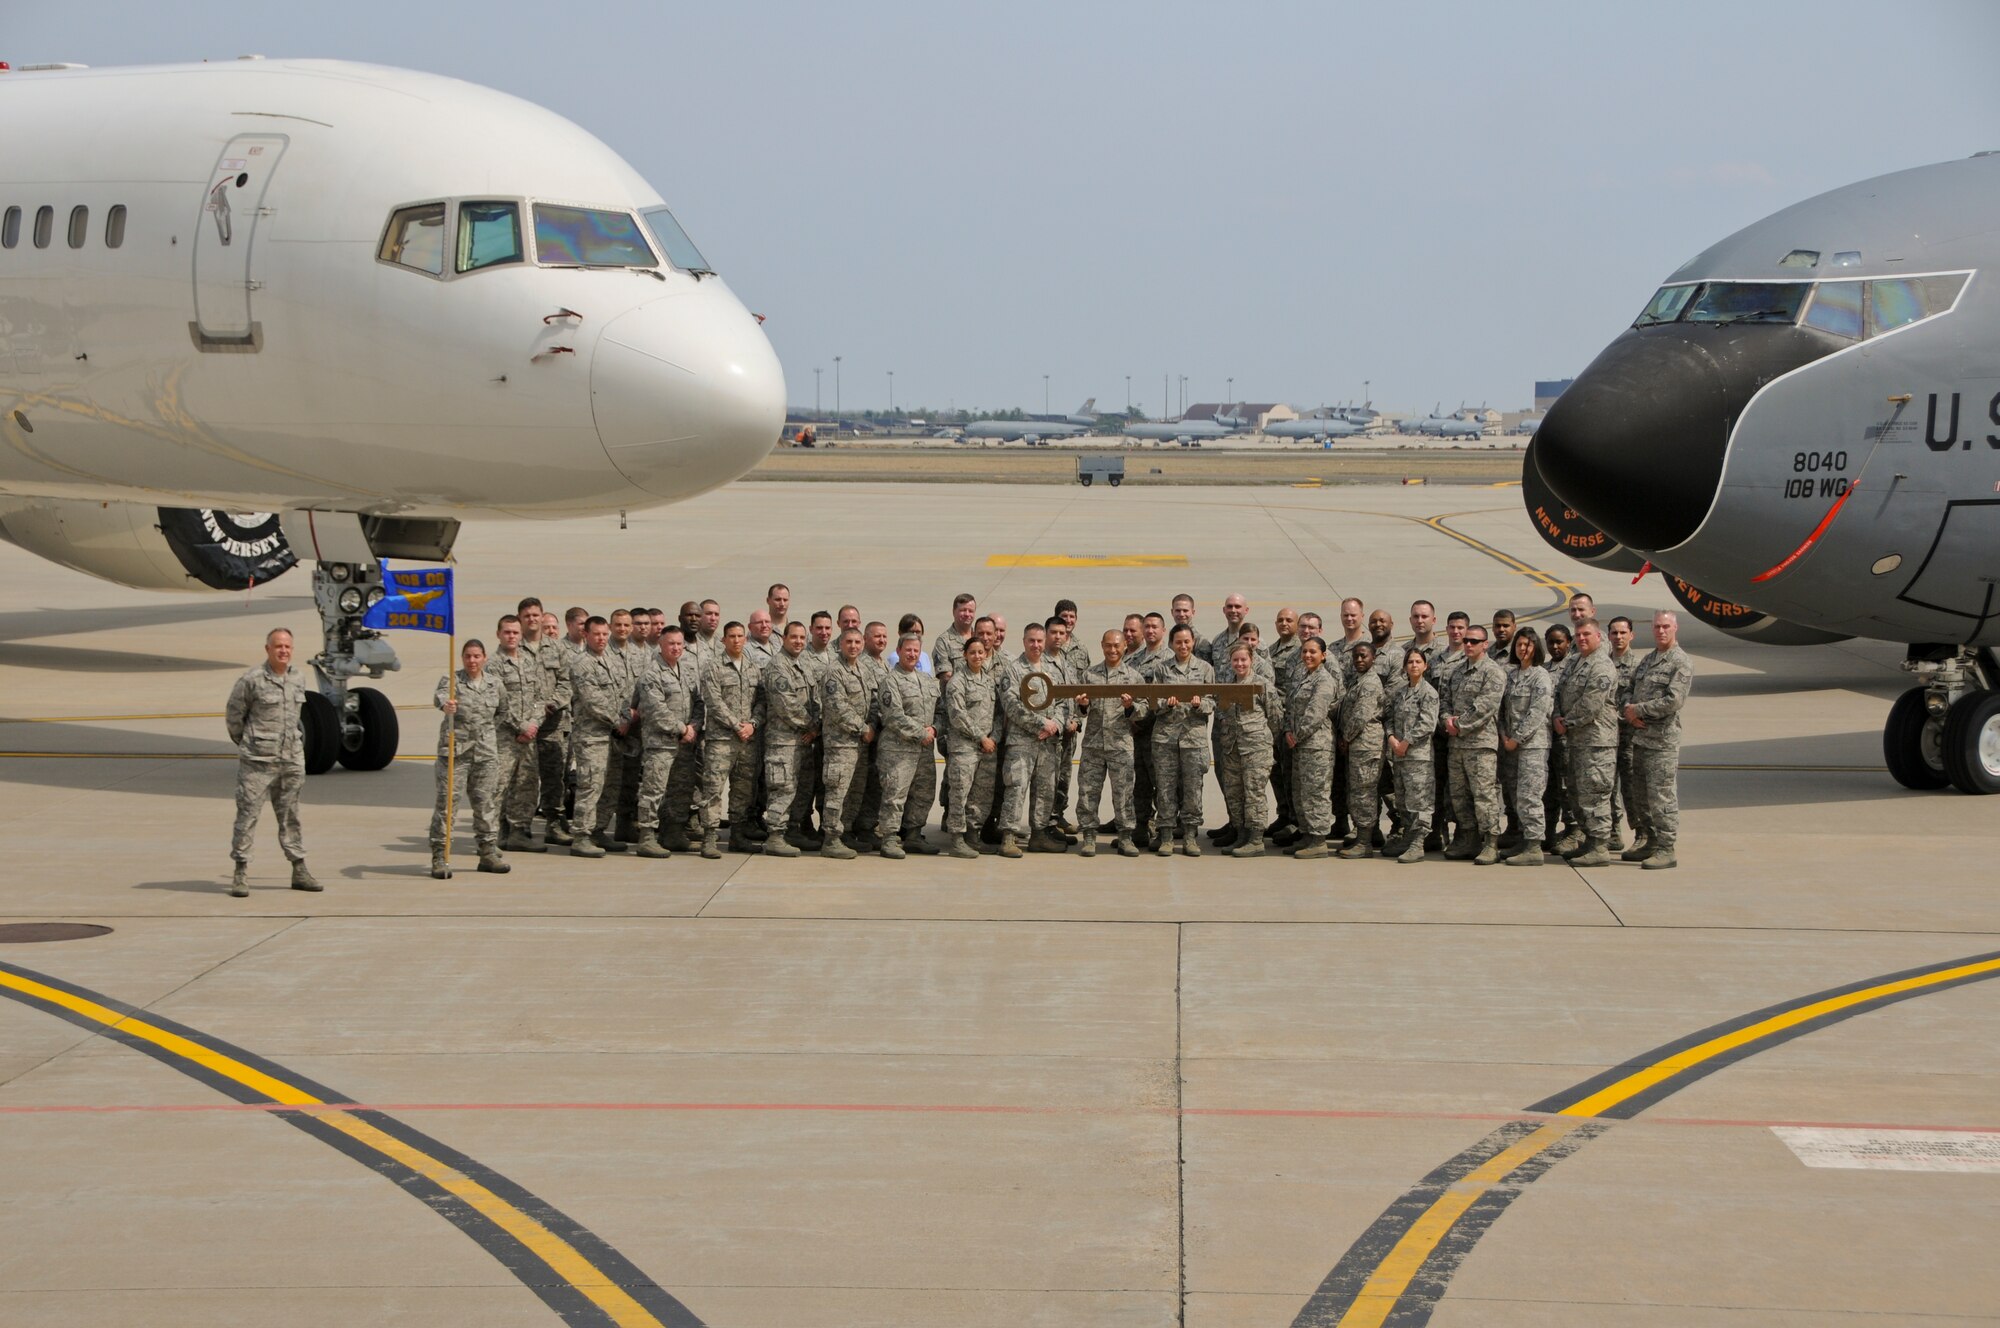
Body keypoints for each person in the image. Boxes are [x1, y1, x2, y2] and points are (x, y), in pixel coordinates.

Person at [224, 628, 317, 896]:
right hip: (258, 762)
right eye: (278, 646)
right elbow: (234, 716)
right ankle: (240, 872)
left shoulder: (298, 678)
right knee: (247, 816)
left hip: (290, 760)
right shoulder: (251, 680)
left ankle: (299, 869)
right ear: (268, 649)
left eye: (287, 647)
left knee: (291, 816)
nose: (283, 651)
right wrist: (249, 744)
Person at [429, 638, 508, 877]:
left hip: (485, 754)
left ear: (484, 658)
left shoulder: (494, 683)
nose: (472, 661)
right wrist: (447, 706)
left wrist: (485, 735)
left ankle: (487, 853)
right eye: (468, 656)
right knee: (447, 806)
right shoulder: (452, 681)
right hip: (455, 754)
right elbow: (440, 698)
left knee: (485, 805)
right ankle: (440, 856)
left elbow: (502, 712)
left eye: (476, 656)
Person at [1622, 611, 1694, 869]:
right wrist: (1628, 711)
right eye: (1657, 627)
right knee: (1641, 796)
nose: (1661, 631)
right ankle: (1651, 842)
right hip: (1640, 739)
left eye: (1665, 626)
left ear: (1675, 628)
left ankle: (1667, 848)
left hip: (1662, 742)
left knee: (1661, 797)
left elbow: (1674, 700)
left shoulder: (1680, 662)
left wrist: (1638, 710)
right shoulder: (1648, 660)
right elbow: (1629, 689)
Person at [997, 622, 1072, 856]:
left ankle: (1039, 835)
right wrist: (1041, 724)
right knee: (1016, 788)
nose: (1036, 645)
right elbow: (1011, 705)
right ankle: (1008, 836)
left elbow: (1063, 702)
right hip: (1022, 742)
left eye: (1040, 641)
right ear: (1024, 641)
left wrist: (1056, 726)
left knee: (1045, 789)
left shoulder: (1052, 669)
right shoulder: (1013, 669)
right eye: (1032, 640)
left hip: (1048, 743)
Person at [1074, 628, 1147, 857]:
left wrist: (1130, 708)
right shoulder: (1089, 675)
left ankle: (1125, 837)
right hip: (1094, 744)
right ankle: (1088, 836)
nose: (1113, 650)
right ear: (1102, 645)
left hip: (1120, 744)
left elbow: (1144, 709)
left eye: (1117, 645)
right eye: (1108, 645)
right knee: (1088, 791)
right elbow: (1079, 710)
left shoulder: (1133, 677)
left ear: (1125, 645)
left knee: (1124, 792)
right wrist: (1083, 705)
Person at [1553, 619, 1619, 867]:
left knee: (1595, 794)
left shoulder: (1602, 666)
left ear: (1599, 637)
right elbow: (1559, 691)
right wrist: (1558, 715)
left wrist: (1566, 722)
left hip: (1596, 743)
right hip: (1576, 741)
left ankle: (1600, 845)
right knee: (1578, 794)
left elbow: (1591, 704)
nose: (1582, 638)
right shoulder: (1575, 662)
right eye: (1578, 634)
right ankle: (1590, 841)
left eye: (1587, 634)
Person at [1443, 623, 1508, 864]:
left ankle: (1491, 842)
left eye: (1474, 641)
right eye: (1466, 640)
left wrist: (1458, 725)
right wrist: (1446, 719)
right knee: (1460, 796)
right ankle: (1468, 839)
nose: (1468, 644)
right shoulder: (1457, 671)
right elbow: (1445, 701)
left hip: (1480, 746)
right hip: (1457, 746)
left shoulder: (1493, 672)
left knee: (1484, 796)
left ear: (1485, 645)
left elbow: (1485, 707)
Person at [698, 621, 763, 857]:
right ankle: (709, 837)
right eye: (731, 636)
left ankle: (738, 835)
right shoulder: (713, 667)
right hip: (721, 740)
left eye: (740, 636)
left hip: (747, 741)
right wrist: (738, 726)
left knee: (743, 790)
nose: (736, 640)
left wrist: (753, 724)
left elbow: (761, 702)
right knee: (714, 789)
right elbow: (714, 703)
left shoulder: (753, 668)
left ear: (745, 639)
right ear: (723, 640)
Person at [565, 617, 628, 859]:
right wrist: (618, 721)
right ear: (586, 635)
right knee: (590, 786)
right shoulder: (582, 664)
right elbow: (593, 702)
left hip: (613, 736)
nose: (601, 638)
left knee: (610, 785)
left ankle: (598, 829)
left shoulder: (611, 660)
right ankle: (581, 835)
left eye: (604, 634)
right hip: (592, 737)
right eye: (596, 634)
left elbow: (623, 693)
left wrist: (625, 718)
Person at [633, 625, 698, 858]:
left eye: (680, 644)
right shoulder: (651, 675)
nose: (676, 648)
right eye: (671, 643)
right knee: (653, 790)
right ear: (661, 644)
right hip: (660, 744)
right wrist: (682, 729)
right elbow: (656, 710)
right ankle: (647, 837)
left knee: (680, 790)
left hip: (684, 744)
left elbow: (700, 702)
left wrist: (694, 727)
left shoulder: (688, 672)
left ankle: (674, 833)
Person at [874, 633, 940, 857]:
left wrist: (935, 729)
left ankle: (913, 834)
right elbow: (893, 716)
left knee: (923, 793)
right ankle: (890, 838)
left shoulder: (927, 680)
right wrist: (921, 732)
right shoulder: (890, 681)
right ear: (899, 651)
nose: (912, 654)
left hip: (924, 750)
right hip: (897, 750)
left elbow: (940, 711)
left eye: (916, 651)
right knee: (895, 794)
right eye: (908, 650)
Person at [759, 622, 818, 857]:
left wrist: (816, 728)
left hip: (803, 740)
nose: (798, 641)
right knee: (783, 789)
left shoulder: (803, 663)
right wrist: (813, 725)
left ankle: (792, 831)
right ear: (783, 638)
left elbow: (815, 698)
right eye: (793, 637)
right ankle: (775, 836)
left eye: (802, 637)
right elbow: (788, 706)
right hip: (783, 742)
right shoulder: (777, 667)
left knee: (802, 789)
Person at [491, 614, 549, 854]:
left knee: (525, 787)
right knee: (498, 788)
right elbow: (497, 704)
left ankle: (519, 833)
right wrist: (521, 727)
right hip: (505, 737)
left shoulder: (528, 661)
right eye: (507, 632)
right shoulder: (493, 665)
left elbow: (539, 696)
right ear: (499, 634)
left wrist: (534, 723)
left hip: (529, 736)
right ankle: (491, 836)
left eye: (516, 632)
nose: (512, 636)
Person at [941, 634, 1003, 858]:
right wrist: (981, 737)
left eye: (981, 652)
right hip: (965, 748)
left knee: (981, 795)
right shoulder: (957, 682)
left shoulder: (988, 681)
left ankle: (973, 836)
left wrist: (994, 737)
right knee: (960, 794)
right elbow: (958, 715)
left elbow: (998, 714)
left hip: (987, 748)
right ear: (965, 655)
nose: (977, 656)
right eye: (972, 652)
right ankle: (957, 839)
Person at [816, 627, 875, 859]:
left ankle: (846, 832)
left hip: (859, 745)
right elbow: (837, 707)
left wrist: (870, 727)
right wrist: (863, 728)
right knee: (837, 793)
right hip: (840, 746)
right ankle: (831, 838)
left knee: (853, 792)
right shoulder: (834, 672)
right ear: (840, 644)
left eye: (857, 642)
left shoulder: (863, 670)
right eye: (848, 642)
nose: (853, 646)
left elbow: (873, 702)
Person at [1499, 626, 1554, 867]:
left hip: (1532, 746)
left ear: (1536, 648)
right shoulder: (1510, 675)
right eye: (1519, 644)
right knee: (1515, 795)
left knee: (1530, 795)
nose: (1523, 649)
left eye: (1528, 645)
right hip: (1510, 745)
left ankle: (1534, 845)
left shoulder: (1540, 676)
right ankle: (1523, 837)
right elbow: (1502, 711)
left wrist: (1516, 738)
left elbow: (1537, 713)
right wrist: (1504, 736)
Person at [1216, 642, 1278, 857]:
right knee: (1235, 792)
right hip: (1231, 748)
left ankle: (1256, 839)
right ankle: (1241, 834)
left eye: (1243, 659)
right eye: (1236, 660)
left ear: (1251, 660)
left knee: (1254, 793)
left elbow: (1276, 717)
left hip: (1255, 749)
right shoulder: (1226, 686)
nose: (1239, 664)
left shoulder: (1262, 685)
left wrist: (1263, 740)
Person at [1284, 636, 1340, 859]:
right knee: (1301, 792)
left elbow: (1315, 714)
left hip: (1317, 746)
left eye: (1313, 652)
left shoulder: (1324, 681)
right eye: (1305, 652)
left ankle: (1318, 840)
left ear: (1323, 655)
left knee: (1316, 793)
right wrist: (1288, 730)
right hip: (1300, 745)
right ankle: (1307, 835)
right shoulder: (1303, 677)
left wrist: (1296, 735)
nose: (1307, 656)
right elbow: (1291, 706)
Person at [1386, 649, 1441, 863]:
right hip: (1399, 756)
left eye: (1418, 662)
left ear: (1425, 666)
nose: (1414, 665)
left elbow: (1427, 723)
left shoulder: (1429, 693)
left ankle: (1418, 842)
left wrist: (1406, 742)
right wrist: (1391, 738)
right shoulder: (1399, 693)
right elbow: (1389, 718)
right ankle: (1408, 837)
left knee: (1420, 801)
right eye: (1410, 662)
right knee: (1403, 800)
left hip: (1419, 756)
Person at [1336, 641, 1386, 858]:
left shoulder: (1370, 684)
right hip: (1359, 745)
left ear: (1373, 658)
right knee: (1358, 791)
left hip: (1366, 746)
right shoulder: (1359, 681)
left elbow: (1360, 716)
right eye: (1356, 656)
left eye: (1364, 656)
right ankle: (1366, 836)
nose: (1359, 660)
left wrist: (1345, 737)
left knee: (1363, 792)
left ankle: (1364, 842)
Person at [1541, 624, 1576, 851]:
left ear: (1568, 642)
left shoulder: (1572, 667)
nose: (1555, 646)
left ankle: (1573, 829)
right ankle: (1549, 831)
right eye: (1551, 642)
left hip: (1565, 737)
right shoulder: (1542, 669)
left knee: (1566, 787)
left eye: (1559, 642)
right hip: (1545, 738)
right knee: (1548, 787)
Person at [1607, 615, 1639, 852]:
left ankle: (1640, 832)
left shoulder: (1638, 666)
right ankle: (1612, 832)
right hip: (1605, 736)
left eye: (1622, 632)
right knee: (1606, 786)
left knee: (1631, 787)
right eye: (1614, 633)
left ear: (1631, 635)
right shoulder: (1602, 663)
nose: (1618, 637)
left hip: (1628, 737)